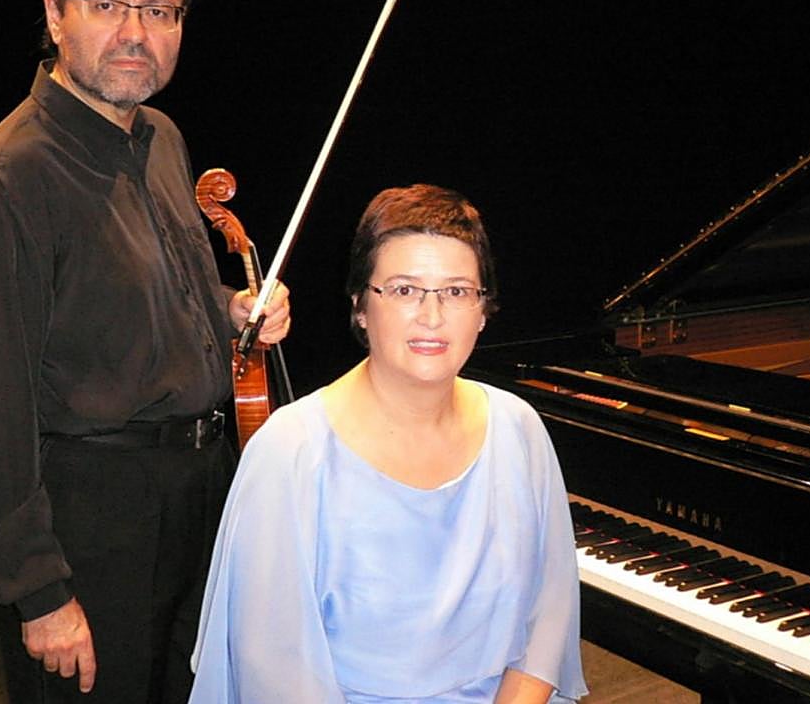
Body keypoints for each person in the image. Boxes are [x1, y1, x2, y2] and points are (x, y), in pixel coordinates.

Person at [0, 0, 291, 703]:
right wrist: (42, 593)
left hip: (198, 498)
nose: (136, 32)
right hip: (92, 523)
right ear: (56, 12)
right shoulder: (6, 184)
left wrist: (232, 312)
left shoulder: (160, 136)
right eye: (107, 5)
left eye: (159, 11)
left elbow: (164, 296)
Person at [189, 184, 587, 702]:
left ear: (484, 310)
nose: (432, 316)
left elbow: (549, 616)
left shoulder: (519, 427)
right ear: (359, 305)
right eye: (404, 290)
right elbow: (276, 675)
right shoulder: (291, 452)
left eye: (457, 291)